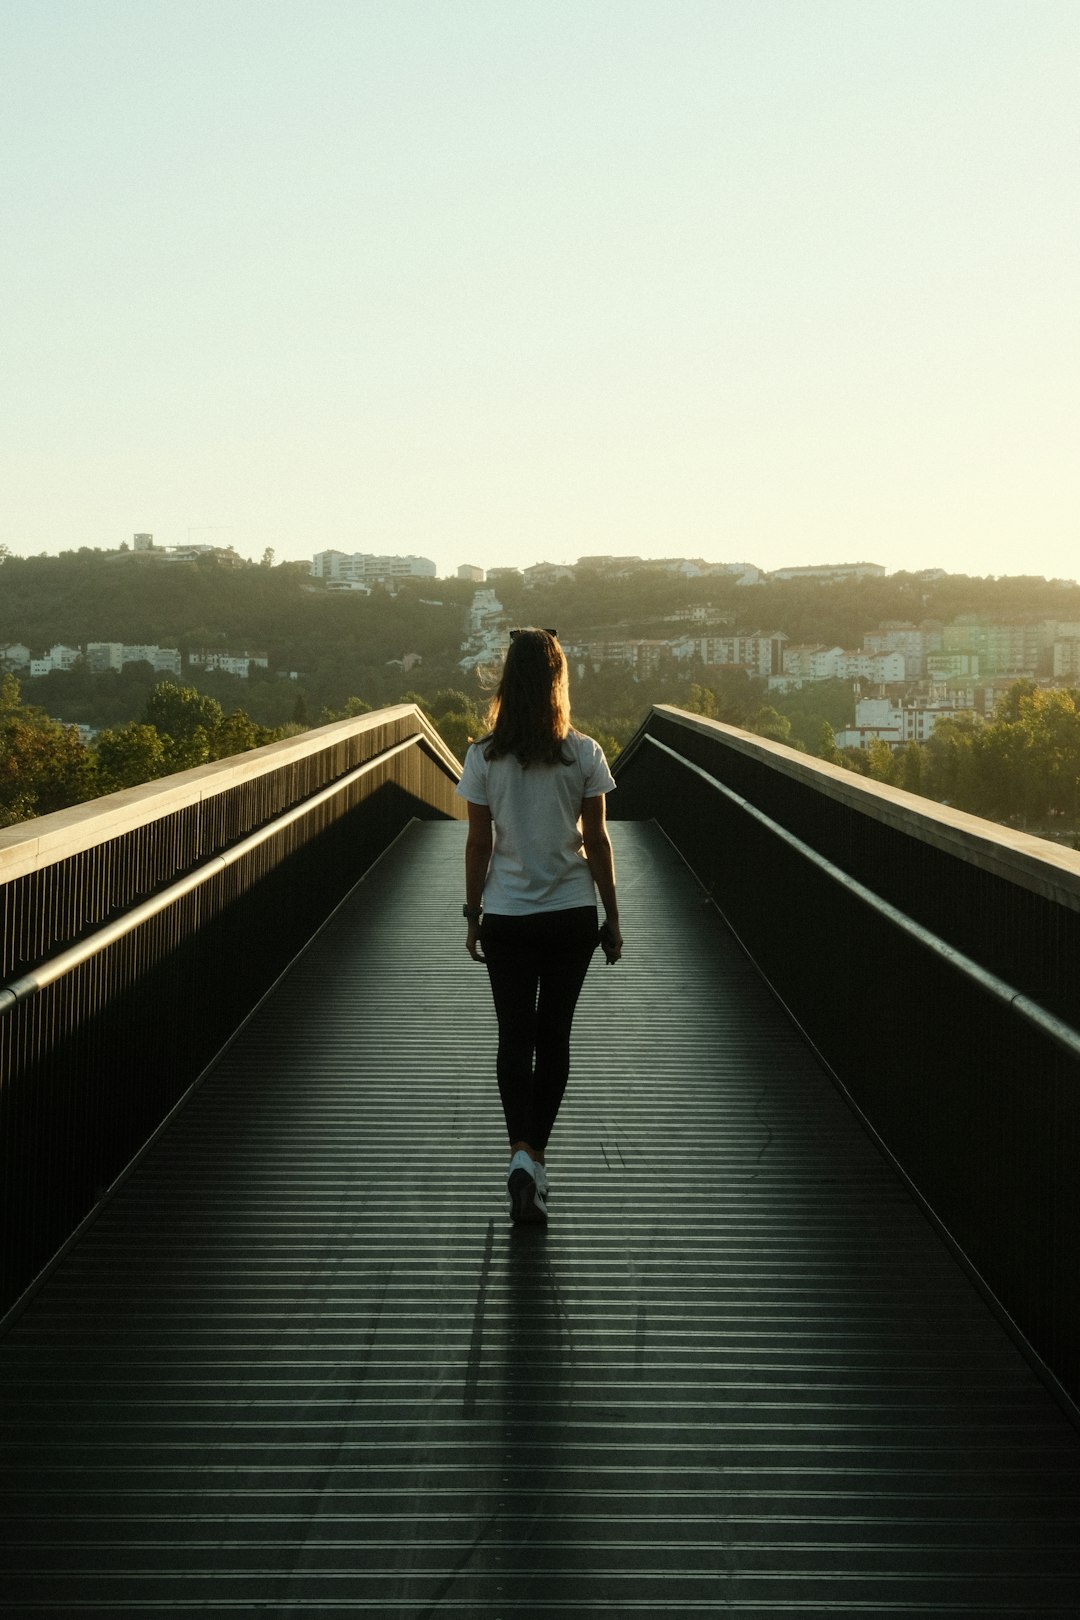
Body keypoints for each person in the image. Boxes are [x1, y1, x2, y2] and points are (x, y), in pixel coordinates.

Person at [456, 628, 622, 1226]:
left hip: (507, 915)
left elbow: (479, 842)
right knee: (554, 1038)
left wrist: (472, 913)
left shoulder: (483, 755)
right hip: (571, 915)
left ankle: (518, 1153)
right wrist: (612, 916)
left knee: (512, 1037)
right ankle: (536, 1158)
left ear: (507, 678)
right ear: (558, 680)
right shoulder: (583, 752)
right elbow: (598, 842)